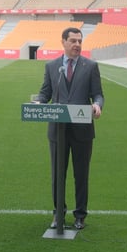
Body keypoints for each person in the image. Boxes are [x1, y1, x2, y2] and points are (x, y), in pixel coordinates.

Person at [35, 27, 104, 230]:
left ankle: (80, 215)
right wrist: (39, 102)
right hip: (58, 130)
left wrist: (97, 104)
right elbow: (45, 92)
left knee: (81, 175)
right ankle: (59, 214)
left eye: (79, 41)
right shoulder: (52, 66)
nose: (77, 44)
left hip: (82, 130)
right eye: (73, 41)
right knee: (58, 174)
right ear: (63, 42)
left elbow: (98, 94)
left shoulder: (90, 66)